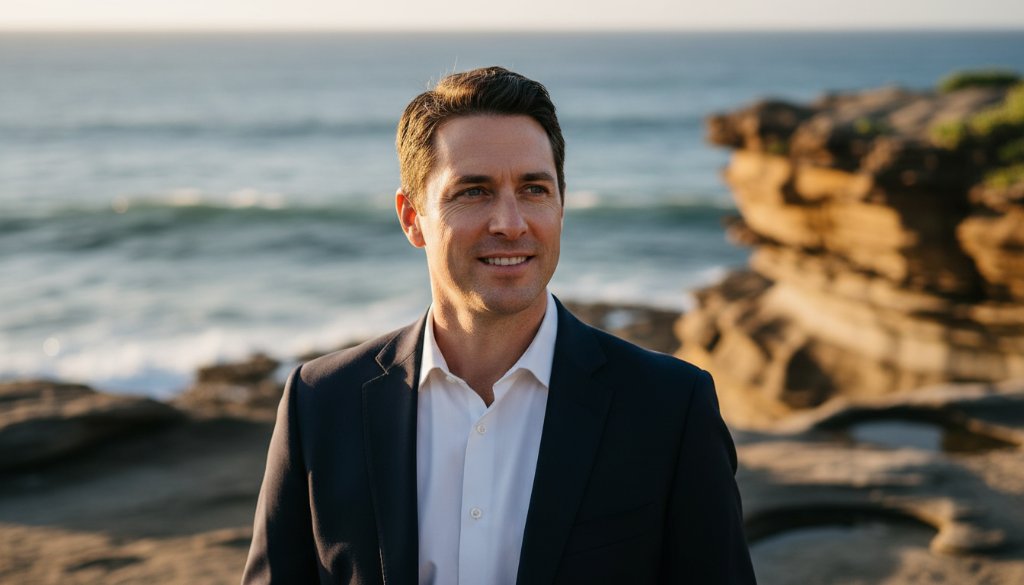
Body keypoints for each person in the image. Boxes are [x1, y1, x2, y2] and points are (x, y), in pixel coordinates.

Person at [242, 66, 756, 585]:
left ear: (561, 204)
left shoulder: (669, 407)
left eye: (534, 189)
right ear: (412, 217)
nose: (510, 223)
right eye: (473, 191)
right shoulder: (320, 402)